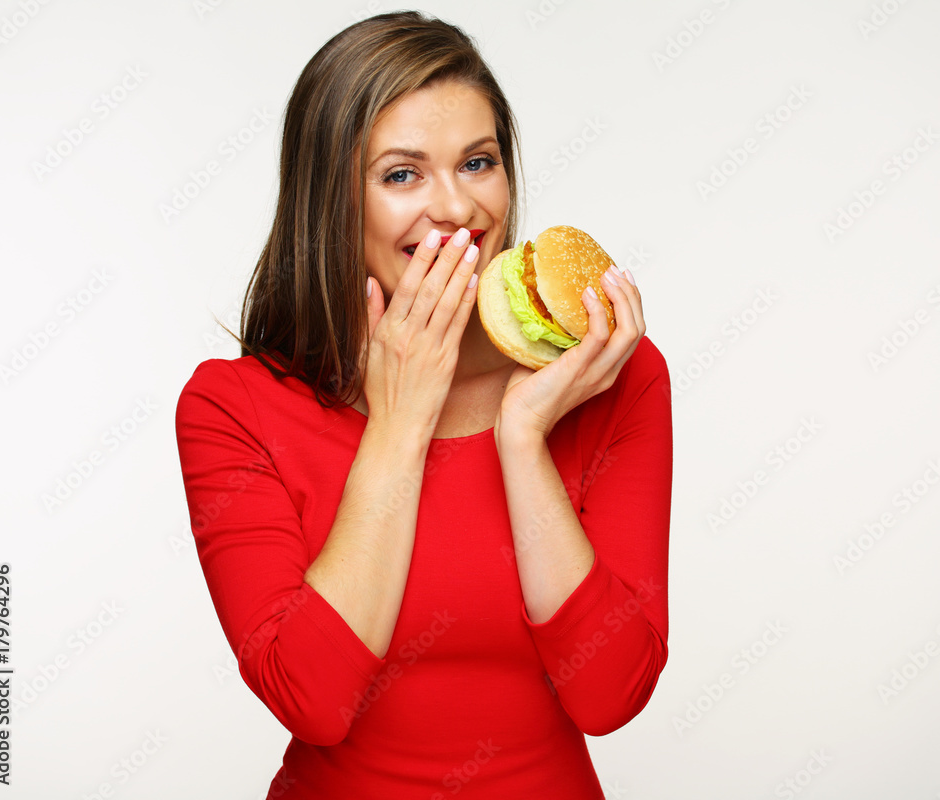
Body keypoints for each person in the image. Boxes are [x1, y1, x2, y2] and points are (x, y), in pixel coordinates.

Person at [174, 10, 672, 799]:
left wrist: (523, 438)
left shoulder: (608, 373)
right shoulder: (231, 407)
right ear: (330, 200)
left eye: (478, 163)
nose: (457, 208)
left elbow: (611, 694)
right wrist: (401, 425)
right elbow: (313, 700)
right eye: (401, 174)